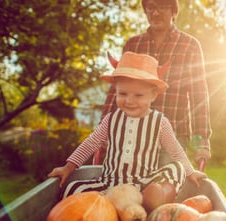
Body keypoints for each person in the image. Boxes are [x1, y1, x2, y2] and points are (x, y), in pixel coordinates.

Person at [48, 52, 207, 210]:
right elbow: (90, 144)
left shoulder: (160, 122)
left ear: (153, 95)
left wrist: (190, 171)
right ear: (115, 91)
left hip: (144, 184)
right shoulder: (111, 120)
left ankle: (158, 197)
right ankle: (104, 209)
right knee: (72, 188)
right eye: (123, 93)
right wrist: (68, 167)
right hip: (110, 184)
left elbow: (175, 150)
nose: (129, 100)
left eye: (138, 95)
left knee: (176, 167)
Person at [94, 0, 211, 171]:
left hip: (173, 132)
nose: (155, 13)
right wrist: (103, 129)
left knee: (165, 188)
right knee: (129, 186)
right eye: (150, 7)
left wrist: (202, 139)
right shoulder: (133, 45)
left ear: (173, 11)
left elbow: (198, 93)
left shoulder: (189, 45)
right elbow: (117, 89)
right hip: (133, 132)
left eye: (162, 7)